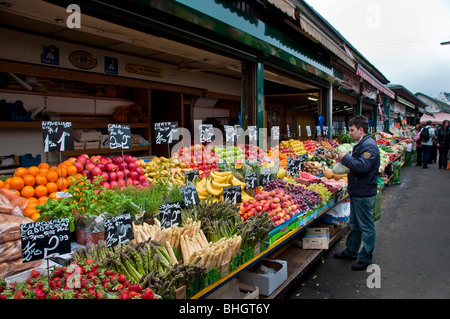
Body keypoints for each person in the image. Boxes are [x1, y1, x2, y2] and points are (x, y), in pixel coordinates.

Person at [334, 115, 380, 271]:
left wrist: (344, 158)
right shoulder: (361, 144)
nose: (350, 133)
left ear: (361, 130)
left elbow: (361, 167)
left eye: (352, 130)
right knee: (354, 225)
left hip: (364, 193)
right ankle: (351, 251)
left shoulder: (369, 146)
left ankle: (366, 257)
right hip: (357, 191)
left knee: (366, 226)